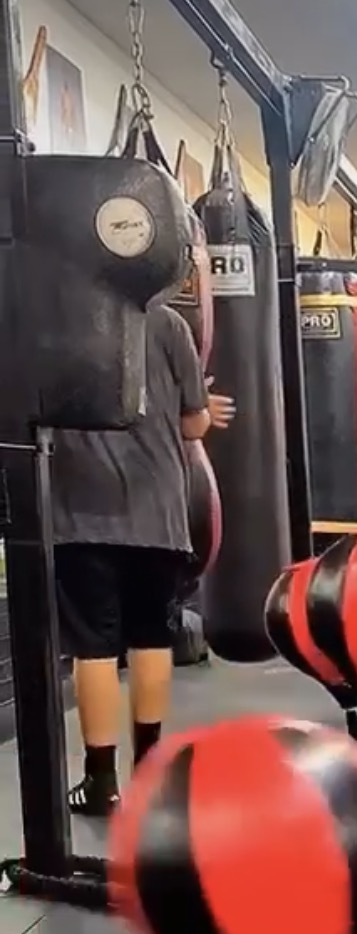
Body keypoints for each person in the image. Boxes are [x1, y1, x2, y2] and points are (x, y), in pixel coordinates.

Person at [50, 299, 232, 817]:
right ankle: (150, 775)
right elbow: (195, 424)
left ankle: (101, 780)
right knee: (152, 638)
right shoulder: (167, 320)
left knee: (94, 647)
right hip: (157, 512)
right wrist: (192, 407)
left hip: (81, 512)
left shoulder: (56, 316)